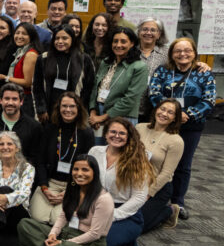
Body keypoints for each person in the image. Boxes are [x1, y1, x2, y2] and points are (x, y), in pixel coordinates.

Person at [148, 37, 216, 221]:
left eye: (187, 50)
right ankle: (154, 198)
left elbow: (209, 100)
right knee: (157, 161)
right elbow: (154, 93)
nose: (182, 54)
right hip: (164, 123)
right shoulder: (163, 70)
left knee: (183, 165)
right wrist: (172, 115)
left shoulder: (204, 73)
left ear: (194, 53)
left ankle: (178, 202)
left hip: (191, 126)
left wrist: (188, 115)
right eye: (178, 51)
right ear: (171, 54)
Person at [17, 155, 115, 246]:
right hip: (66, 233)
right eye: (76, 169)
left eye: (85, 170)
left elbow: (95, 234)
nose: (79, 173)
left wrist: (63, 243)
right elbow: (63, 216)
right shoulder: (73, 189)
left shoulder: (104, 199)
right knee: (25, 224)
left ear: (94, 172)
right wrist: (53, 234)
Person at [87, 118, 153, 246]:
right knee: (72, 234)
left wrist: (113, 215)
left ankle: (128, 244)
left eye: (122, 133)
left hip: (125, 213)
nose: (117, 136)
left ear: (129, 137)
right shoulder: (95, 151)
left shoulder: (137, 160)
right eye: (113, 132)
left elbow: (139, 197)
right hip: (95, 206)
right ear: (106, 134)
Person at [30, 92, 94, 224]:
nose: (68, 110)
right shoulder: (50, 129)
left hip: (73, 185)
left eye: (72, 106)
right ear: (58, 108)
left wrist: (70, 191)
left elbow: (88, 168)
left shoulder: (86, 133)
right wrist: (44, 187)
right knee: (38, 217)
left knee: (56, 220)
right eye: (64, 106)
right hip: (50, 183)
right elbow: (40, 161)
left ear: (78, 108)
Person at [136, 100, 184, 231]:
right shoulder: (140, 128)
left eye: (170, 112)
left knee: (138, 225)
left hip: (158, 186)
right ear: (156, 110)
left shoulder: (176, 141)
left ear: (175, 118)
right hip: (135, 181)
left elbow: (167, 173)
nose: (164, 114)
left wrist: (149, 193)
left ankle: (169, 211)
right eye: (162, 109)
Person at [89, 27, 147, 136]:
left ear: (132, 44)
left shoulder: (139, 67)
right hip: (99, 113)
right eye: (115, 41)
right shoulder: (106, 62)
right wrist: (93, 113)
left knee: (118, 147)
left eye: (123, 41)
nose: (118, 45)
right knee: (98, 147)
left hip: (123, 117)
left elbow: (130, 99)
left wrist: (103, 117)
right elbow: (95, 88)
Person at [0, 83, 43, 166]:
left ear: (21, 101)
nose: (10, 103)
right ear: (1, 100)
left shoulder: (34, 126)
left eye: (14, 99)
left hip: (23, 170)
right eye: (7, 99)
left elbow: (36, 157)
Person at [39, 25, 95, 116]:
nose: (60, 41)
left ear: (72, 39)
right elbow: (37, 86)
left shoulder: (84, 59)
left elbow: (89, 88)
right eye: (57, 38)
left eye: (64, 38)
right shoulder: (43, 58)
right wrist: (41, 109)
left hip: (74, 109)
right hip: (49, 109)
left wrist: (80, 107)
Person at [0, 22, 42, 119]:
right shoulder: (20, 52)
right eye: (17, 33)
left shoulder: (30, 54)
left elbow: (27, 82)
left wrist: (6, 78)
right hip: (17, 96)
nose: (19, 36)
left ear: (31, 37)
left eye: (24, 34)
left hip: (26, 99)